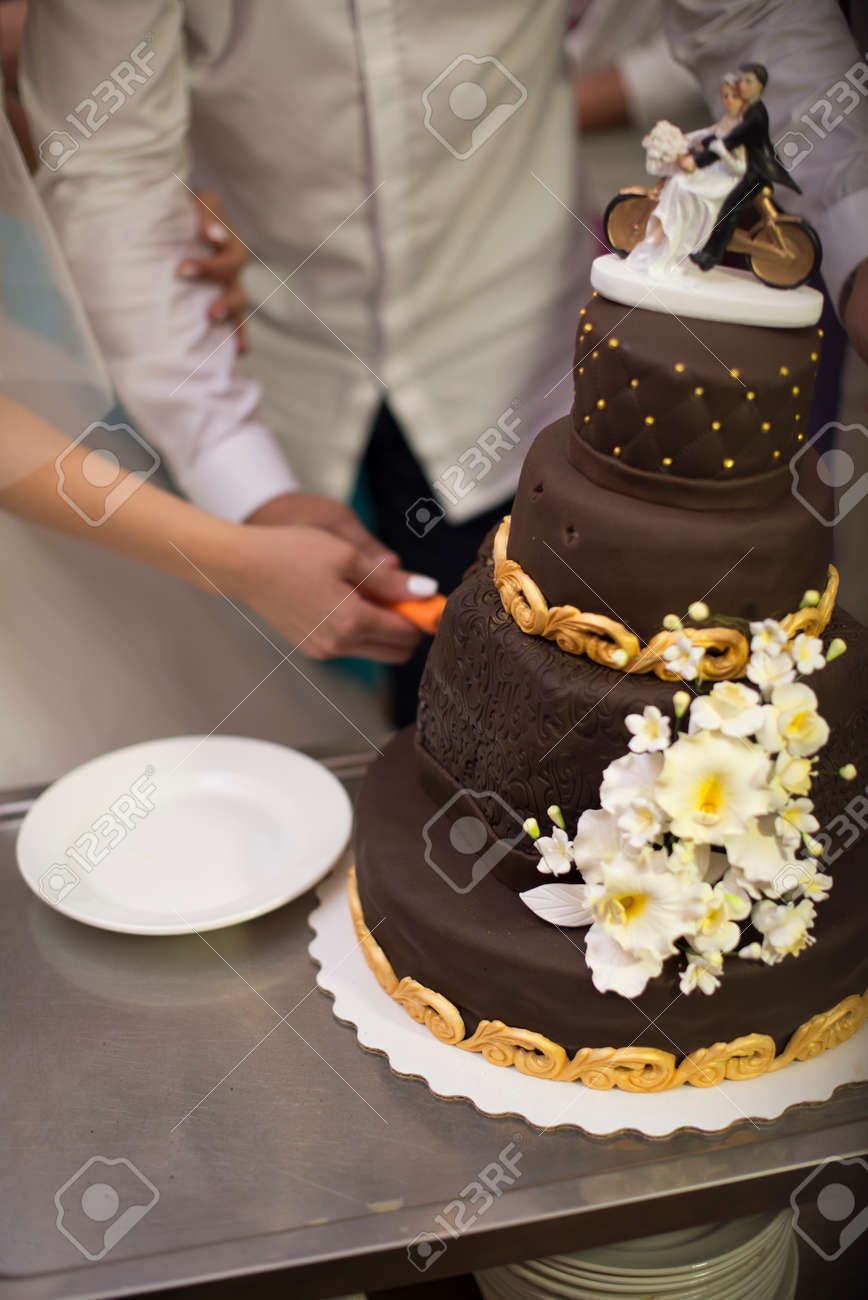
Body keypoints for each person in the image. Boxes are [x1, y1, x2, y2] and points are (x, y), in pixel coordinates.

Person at [627, 75, 747, 278]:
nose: (728, 101)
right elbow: (705, 134)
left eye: (733, 96)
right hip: (712, 171)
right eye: (725, 96)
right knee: (678, 181)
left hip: (728, 177)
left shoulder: (743, 128)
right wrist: (680, 141)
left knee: (682, 186)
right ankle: (663, 237)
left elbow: (741, 167)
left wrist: (723, 154)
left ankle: (677, 242)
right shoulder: (727, 122)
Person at [685, 62, 799, 271]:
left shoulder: (755, 116)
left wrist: (697, 161)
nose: (742, 85)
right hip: (744, 168)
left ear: (760, 87)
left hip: (755, 173)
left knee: (728, 208)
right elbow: (721, 132)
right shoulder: (746, 110)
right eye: (741, 80)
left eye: (748, 82)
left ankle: (710, 255)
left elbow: (731, 141)